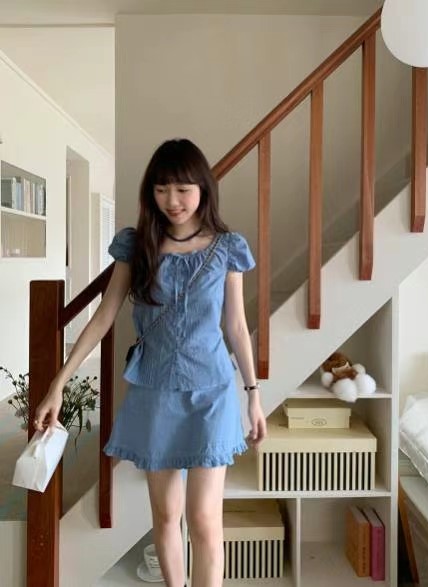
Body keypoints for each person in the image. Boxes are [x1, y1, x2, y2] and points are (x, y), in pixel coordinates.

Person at [33, 138, 267, 587]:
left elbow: (236, 327)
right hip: (155, 391)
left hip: (212, 392)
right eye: (161, 189)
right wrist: (58, 383)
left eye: (182, 189)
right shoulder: (137, 245)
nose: (172, 200)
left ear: (203, 188)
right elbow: (103, 317)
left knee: (204, 520)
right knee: (165, 515)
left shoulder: (227, 248)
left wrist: (253, 395)